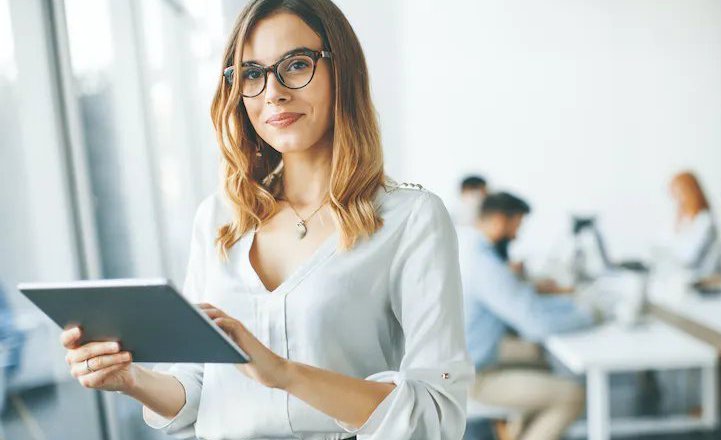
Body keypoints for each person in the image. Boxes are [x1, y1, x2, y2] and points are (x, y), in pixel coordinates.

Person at [58, 1, 473, 438]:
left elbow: (436, 414)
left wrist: (285, 374)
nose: (273, 92)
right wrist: (131, 380)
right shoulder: (220, 217)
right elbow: (199, 387)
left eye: (296, 65)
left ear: (343, 70)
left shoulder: (411, 219)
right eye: (252, 74)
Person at [458, 192, 594, 440]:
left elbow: (520, 301)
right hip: (475, 379)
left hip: (464, 365)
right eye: (516, 226)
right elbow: (535, 324)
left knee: (541, 361)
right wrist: (589, 314)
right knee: (573, 394)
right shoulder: (484, 265)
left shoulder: (470, 248)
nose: (517, 235)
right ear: (500, 220)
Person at [668, 171, 717, 271]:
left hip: (697, 278)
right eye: (675, 194)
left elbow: (690, 258)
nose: (678, 200)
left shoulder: (705, 221)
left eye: (681, 193)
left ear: (692, 192)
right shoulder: (683, 220)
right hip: (678, 274)